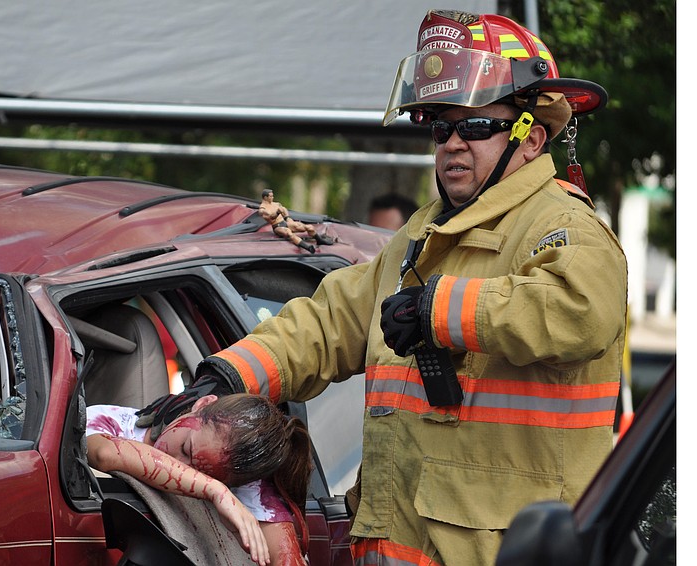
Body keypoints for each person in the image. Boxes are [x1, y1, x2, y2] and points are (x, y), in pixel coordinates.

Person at [137, 9, 627, 566]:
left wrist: (438, 309)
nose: (452, 144)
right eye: (441, 128)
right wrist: (228, 374)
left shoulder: (564, 227)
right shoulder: (423, 235)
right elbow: (329, 322)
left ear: (531, 138)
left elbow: (580, 311)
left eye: (474, 126)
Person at [87, 393, 312, 566]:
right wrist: (215, 490)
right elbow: (104, 453)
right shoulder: (115, 422)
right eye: (186, 448)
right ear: (202, 404)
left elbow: (287, 558)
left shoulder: (243, 480)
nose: (179, 464)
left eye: (204, 473)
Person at [258, 188, 334, 253]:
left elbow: (284, 209)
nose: (272, 197)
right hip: (277, 227)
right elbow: (271, 217)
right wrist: (277, 212)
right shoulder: (263, 209)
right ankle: (307, 247)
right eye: (271, 196)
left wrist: (287, 218)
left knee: (309, 227)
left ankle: (319, 240)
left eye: (272, 196)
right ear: (265, 197)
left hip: (285, 222)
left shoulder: (276, 204)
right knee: (289, 233)